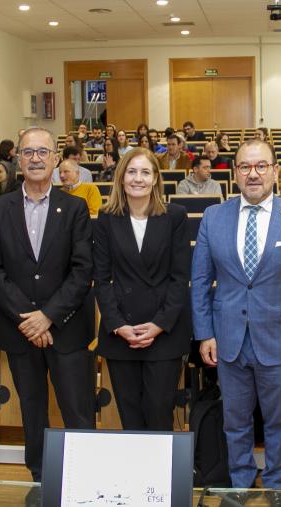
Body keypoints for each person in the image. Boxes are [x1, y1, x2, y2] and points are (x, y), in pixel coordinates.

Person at [191, 139, 281, 500]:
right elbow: (201, 282)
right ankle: (241, 483)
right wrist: (204, 334)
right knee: (235, 420)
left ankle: (277, 484)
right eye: (245, 167)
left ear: (275, 171)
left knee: (279, 420)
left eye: (261, 166)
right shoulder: (213, 218)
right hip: (228, 338)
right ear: (235, 173)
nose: (253, 174)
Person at [0, 127, 96, 485]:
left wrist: (48, 316)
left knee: (77, 411)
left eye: (42, 152)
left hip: (67, 328)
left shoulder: (75, 208)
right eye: (28, 152)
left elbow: (82, 270)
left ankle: (85, 480)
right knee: (32, 410)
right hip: (19, 332)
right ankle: (41, 478)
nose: (35, 158)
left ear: (56, 159)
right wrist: (28, 320)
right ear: (17, 159)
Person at [93, 147, 191, 431]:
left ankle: (160, 477)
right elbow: (101, 278)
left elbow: (179, 277)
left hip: (163, 333)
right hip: (121, 333)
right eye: (132, 171)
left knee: (160, 414)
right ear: (121, 177)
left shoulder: (175, 216)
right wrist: (117, 324)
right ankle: (136, 476)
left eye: (145, 172)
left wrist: (160, 324)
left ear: (155, 178)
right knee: (130, 416)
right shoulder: (107, 217)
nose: (138, 178)